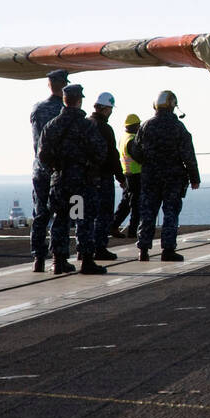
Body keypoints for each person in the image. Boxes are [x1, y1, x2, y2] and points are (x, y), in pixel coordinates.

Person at [36, 83, 106, 275]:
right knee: (82, 219)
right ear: (79, 101)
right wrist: (88, 166)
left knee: (60, 219)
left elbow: (42, 155)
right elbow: (100, 151)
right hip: (80, 183)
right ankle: (86, 260)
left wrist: (55, 167)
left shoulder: (52, 126)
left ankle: (59, 261)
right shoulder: (86, 126)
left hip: (59, 181)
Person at [134, 90, 200, 262]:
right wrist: (194, 177)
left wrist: (147, 163)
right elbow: (188, 155)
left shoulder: (146, 126)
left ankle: (143, 250)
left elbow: (135, 150)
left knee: (148, 212)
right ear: (172, 105)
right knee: (170, 213)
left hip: (150, 177)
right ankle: (168, 250)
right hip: (173, 178)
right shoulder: (178, 127)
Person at [29, 69, 69, 272]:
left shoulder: (37, 109)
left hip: (38, 168)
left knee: (40, 214)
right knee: (61, 213)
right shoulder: (63, 111)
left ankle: (38, 258)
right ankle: (59, 258)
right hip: (57, 170)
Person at [89, 92, 126, 259]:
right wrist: (121, 178)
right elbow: (112, 155)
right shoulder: (105, 128)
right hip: (103, 178)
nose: (111, 112)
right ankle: (100, 248)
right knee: (104, 214)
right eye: (110, 109)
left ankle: (86, 249)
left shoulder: (85, 124)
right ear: (105, 108)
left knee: (87, 215)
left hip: (86, 178)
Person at [112, 112, 143, 239]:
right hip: (135, 175)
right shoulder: (132, 140)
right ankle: (132, 231)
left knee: (125, 204)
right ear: (135, 126)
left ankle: (113, 225)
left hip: (127, 174)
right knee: (136, 205)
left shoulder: (124, 137)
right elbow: (139, 157)